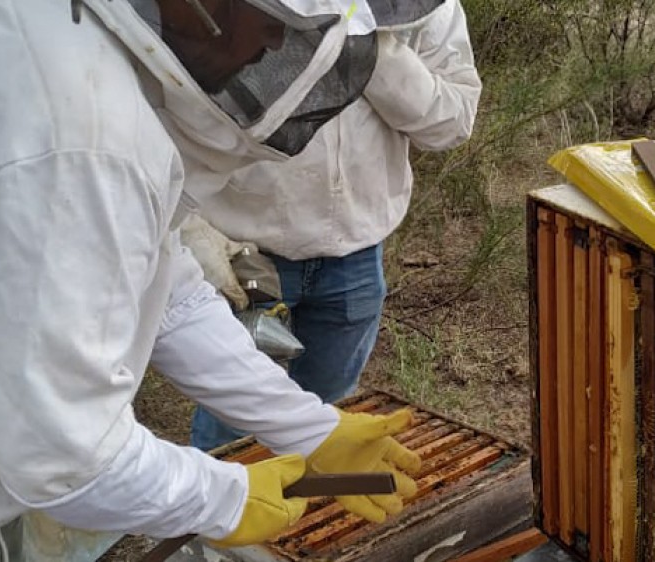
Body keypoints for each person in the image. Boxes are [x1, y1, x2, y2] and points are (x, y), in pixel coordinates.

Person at [0, 1, 421, 559]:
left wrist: (309, 427)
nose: (274, 44)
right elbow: (62, 455)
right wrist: (224, 497)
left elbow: (168, 293)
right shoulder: (89, 144)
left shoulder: (80, 56)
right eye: (276, 17)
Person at [185, 0, 482, 451]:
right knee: (234, 422)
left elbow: (452, 123)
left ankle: (311, 516)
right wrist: (190, 225)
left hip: (356, 259)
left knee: (331, 419)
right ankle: (224, 515)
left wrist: (370, 49)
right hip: (247, 255)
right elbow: (178, 107)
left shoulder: (424, 10)